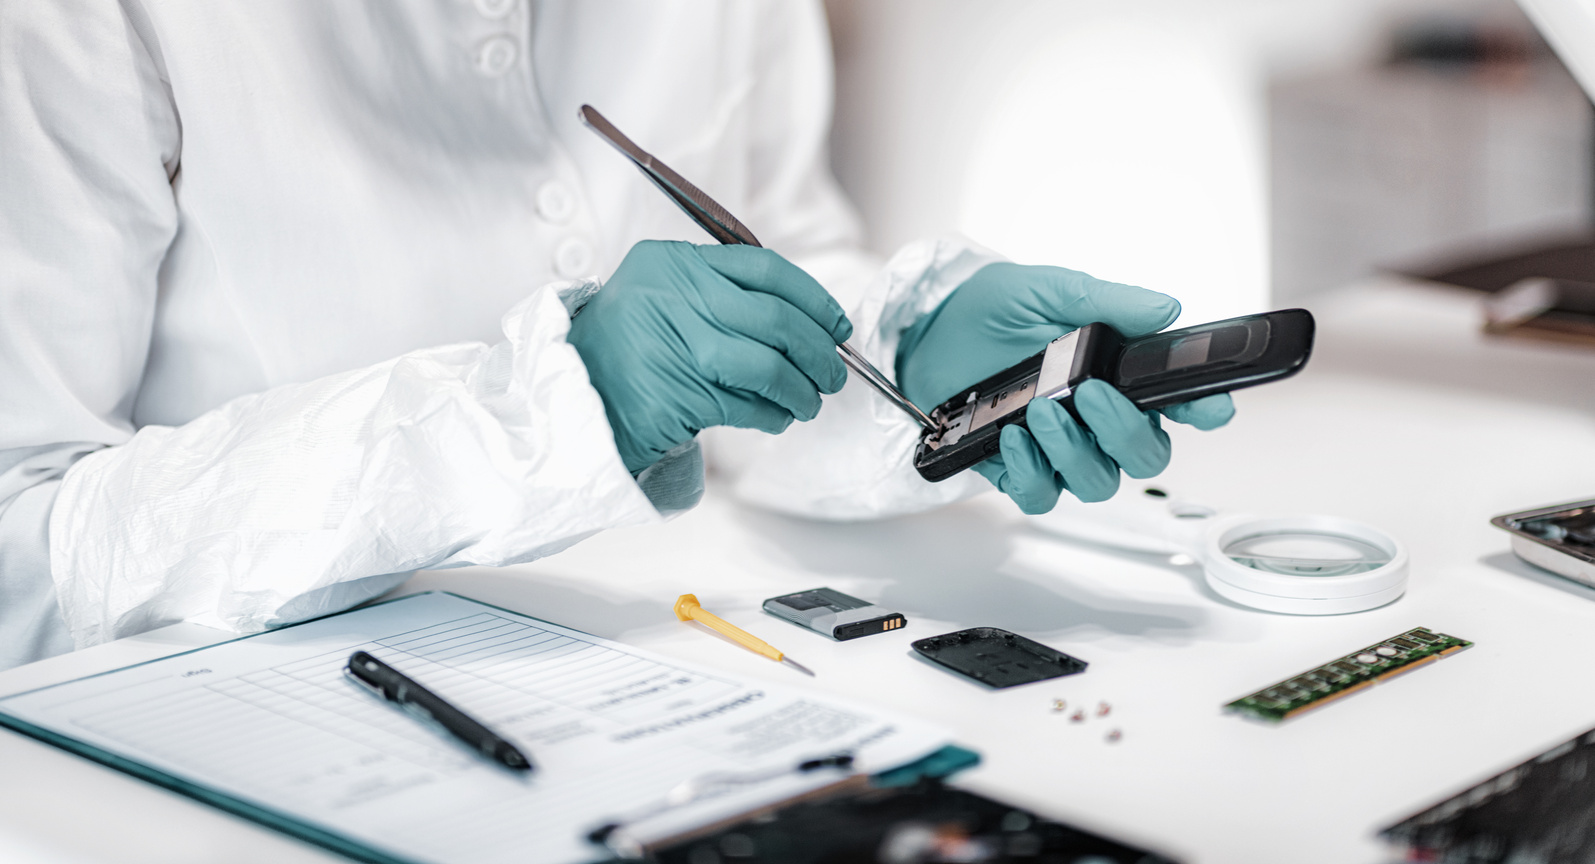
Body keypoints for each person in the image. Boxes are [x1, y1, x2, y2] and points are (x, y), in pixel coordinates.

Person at [0, 1, 1232, 670]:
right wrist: (552, 409)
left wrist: (903, 363)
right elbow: (26, 550)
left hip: (692, 684)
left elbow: (784, 271)